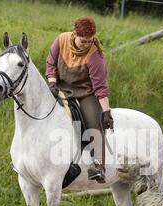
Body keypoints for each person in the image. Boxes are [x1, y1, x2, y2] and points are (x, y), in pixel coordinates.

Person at [46, 16, 113, 184]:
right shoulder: (61, 40)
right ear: (74, 33)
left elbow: (100, 86)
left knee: (92, 122)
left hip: (85, 92)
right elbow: (51, 63)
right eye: (84, 41)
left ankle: (99, 166)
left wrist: (106, 112)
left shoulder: (95, 54)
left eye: (90, 41)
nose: (87, 44)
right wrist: (52, 82)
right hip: (60, 87)